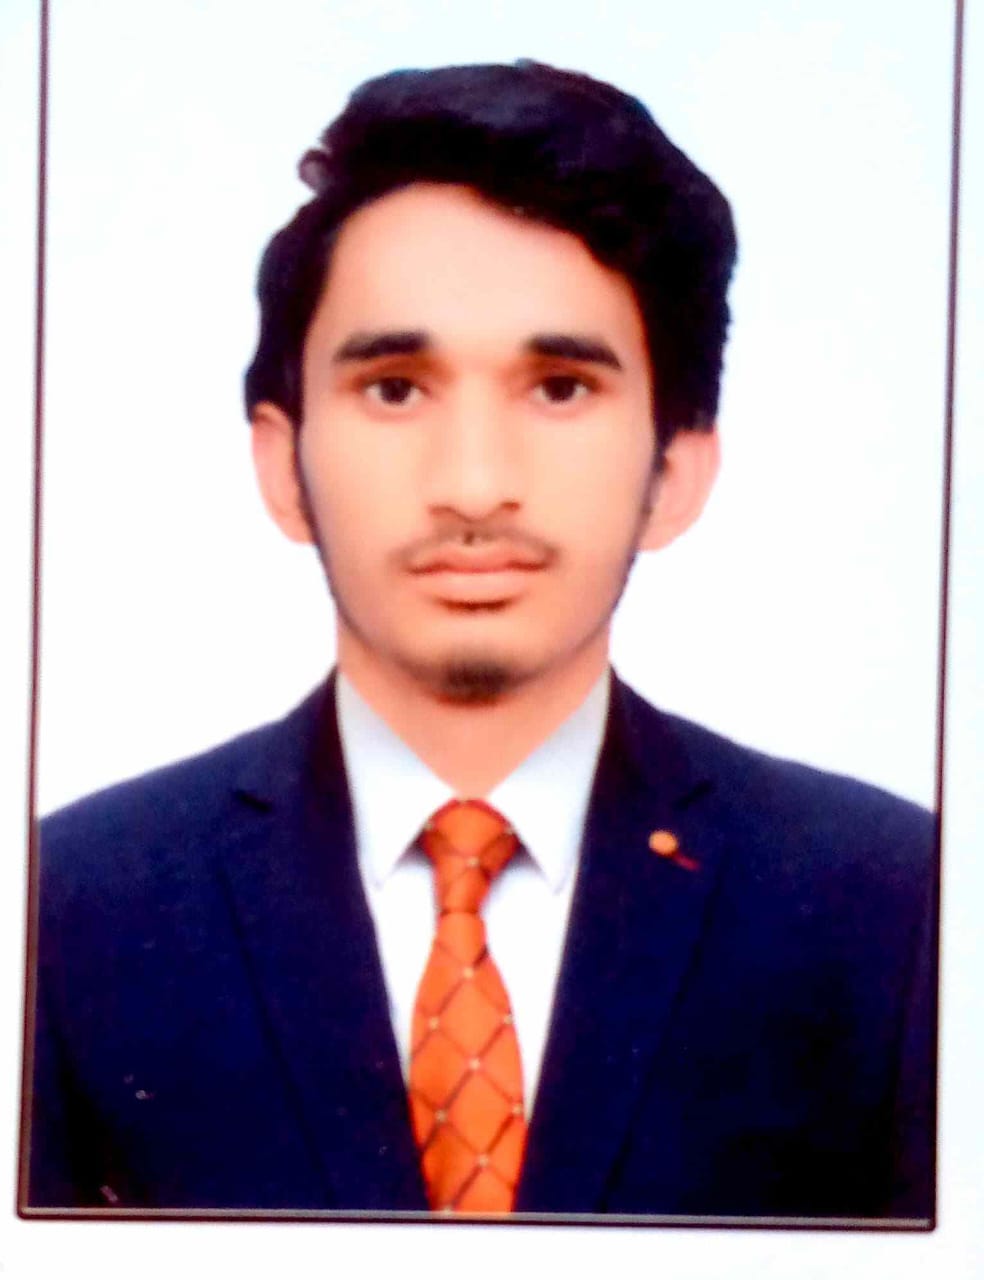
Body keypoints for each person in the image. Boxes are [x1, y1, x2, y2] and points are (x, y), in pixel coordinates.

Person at [25, 60, 936, 1220]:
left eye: (558, 387)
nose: (472, 484)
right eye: (396, 388)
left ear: (675, 467)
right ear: (282, 462)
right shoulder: (63, 910)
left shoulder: (897, 905)